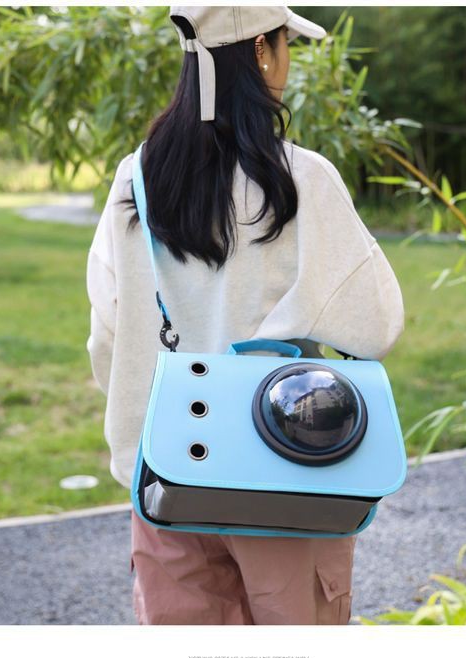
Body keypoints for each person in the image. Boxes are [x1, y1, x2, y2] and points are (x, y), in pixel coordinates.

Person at [86, 5, 404, 625]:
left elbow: (108, 334)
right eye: (286, 45)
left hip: (170, 472)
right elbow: (375, 324)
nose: (287, 64)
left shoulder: (137, 180)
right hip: (286, 470)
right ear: (261, 49)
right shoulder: (302, 178)